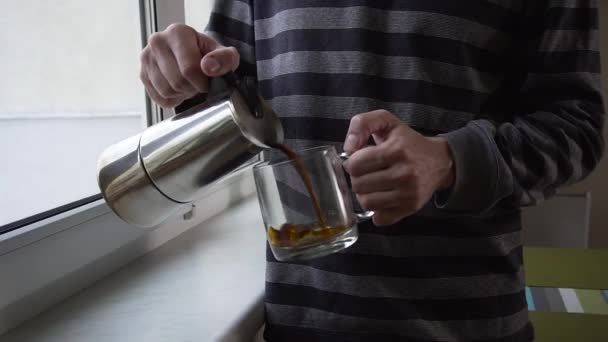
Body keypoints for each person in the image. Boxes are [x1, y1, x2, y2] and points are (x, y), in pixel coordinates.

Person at [139, 1, 605, 341]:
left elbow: (580, 128)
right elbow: (233, 92)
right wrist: (184, 73)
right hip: (302, 324)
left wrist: (449, 160)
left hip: (465, 326)